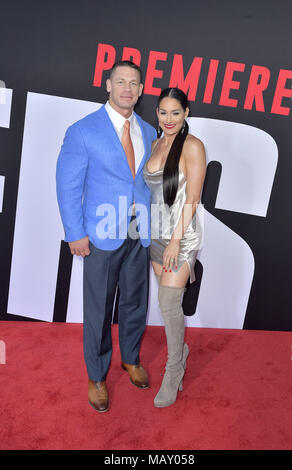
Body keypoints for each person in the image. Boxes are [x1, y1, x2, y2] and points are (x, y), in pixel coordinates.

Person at [56, 60, 156, 413]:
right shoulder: (83, 131)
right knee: (98, 310)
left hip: (137, 231)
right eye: (121, 81)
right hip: (99, 235)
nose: (128, 88)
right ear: (108, 85)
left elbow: (146, 185)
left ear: (141, 90)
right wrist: (75, 233)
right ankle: (97, 376)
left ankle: (130, 358)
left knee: (135, 304)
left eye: (134, 83)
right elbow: (67, 185)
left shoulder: (148, 131)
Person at [143, 87, 206, 408]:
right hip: (155, 234)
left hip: (181, 236)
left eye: (176, 113)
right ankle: (181, 350)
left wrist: (177, 241)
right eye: (163, 112)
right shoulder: (155, 144)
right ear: (157, 113)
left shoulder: (193, 147)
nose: (169, 119)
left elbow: (192, 199)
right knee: (169, 306)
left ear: (186, 113)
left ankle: (174, 369)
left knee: (168, 301)